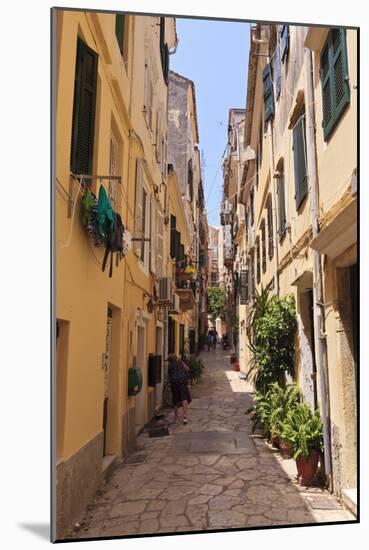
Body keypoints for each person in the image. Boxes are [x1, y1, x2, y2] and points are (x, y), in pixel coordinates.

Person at [167, 354, 191, 424]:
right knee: (184, 398)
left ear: (169, 361)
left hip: (174, 383)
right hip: (182, 382)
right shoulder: (180, 362)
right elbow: (187, 369)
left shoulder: (170, 366)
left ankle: (176, 417)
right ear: (176, 358)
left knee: (175, 400)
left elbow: (169, 375)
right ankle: (185, 417)